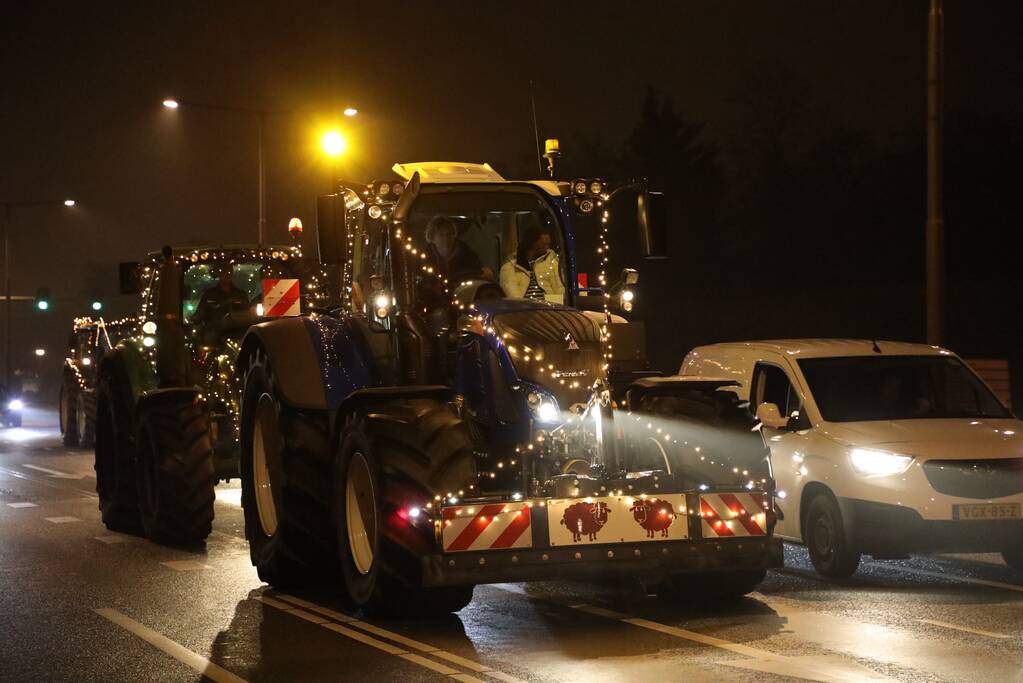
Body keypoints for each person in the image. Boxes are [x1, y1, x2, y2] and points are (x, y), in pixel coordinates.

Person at [499, 223, 564, 303]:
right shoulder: (510, 266)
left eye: (548, 244)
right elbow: (513, 297)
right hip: (525, 310)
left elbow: (560, 289)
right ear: (533, 243)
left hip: (550, 308)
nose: (548, 248)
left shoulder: (552, 262)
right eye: (545, 244)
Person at [424, 216, 492, 283]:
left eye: (449, 234)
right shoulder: (424, 257)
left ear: (454, 235)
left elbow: (479, 273)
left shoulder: (467, 255)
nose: (445, 238)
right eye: (441, 235)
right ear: (432, 238)